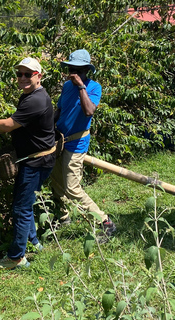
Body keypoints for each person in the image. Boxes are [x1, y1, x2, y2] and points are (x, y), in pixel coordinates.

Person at [0, 57, 56, 269]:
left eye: (28, 74)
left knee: (21, 208)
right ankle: (34, 241)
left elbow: (11, 123)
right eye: (19, 74)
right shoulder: (31, 95)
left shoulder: (35, 99)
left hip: (36, 162)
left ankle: (16, 257)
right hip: (39, 159)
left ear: (39, 76)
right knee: (26, 203)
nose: (22, 78)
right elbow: (20, 123)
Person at [50, 49, 116, 239]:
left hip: (77, 143)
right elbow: (60, 110)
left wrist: (81, 87)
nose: (74, 73)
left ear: (86, 70)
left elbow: (88, 111)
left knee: (72, 187)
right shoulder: (66, 86)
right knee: (56, 182)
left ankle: (104, 222)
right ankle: (64, 218)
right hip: (60, 140)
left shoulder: (94, 87)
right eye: (72, 69)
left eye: (79, 70)